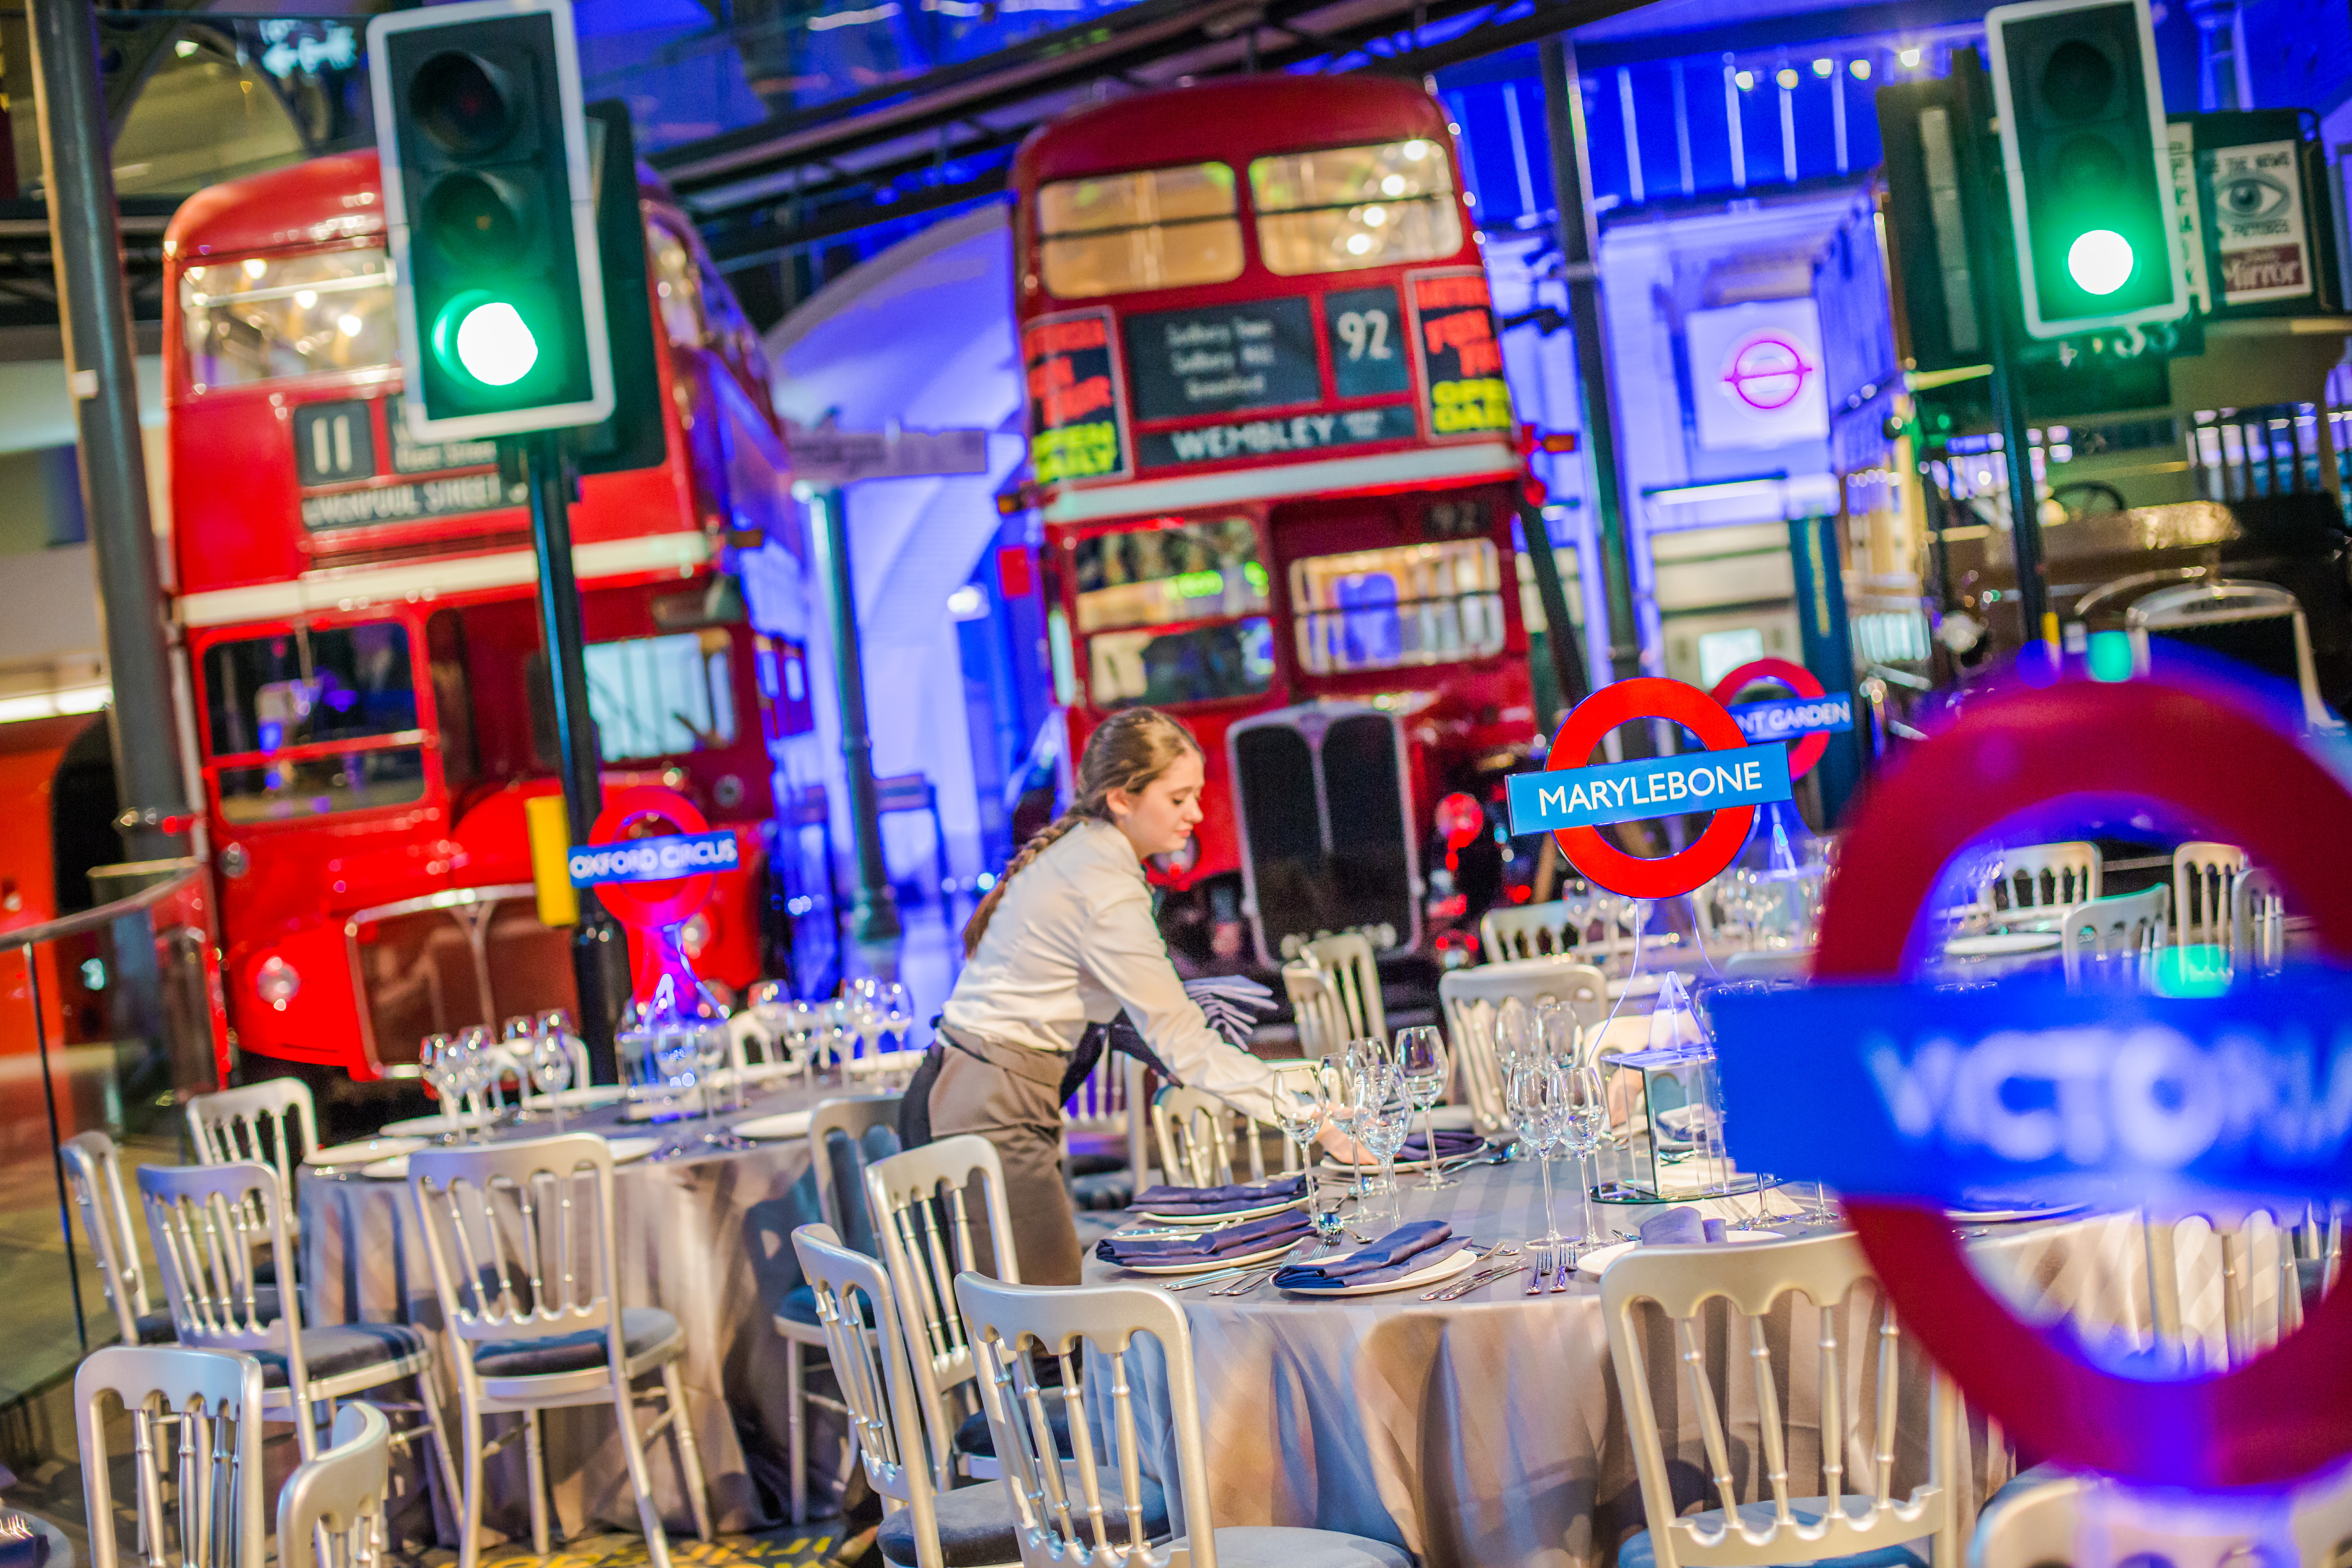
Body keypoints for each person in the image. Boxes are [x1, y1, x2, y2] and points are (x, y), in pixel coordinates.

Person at [916, 706, 1357, 1284]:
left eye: (1196, 796)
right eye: (1178, 799)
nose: (1196, 814)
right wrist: (1312, 1120)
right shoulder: (1102, 883)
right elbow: (1184, 1042)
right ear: (1122, 799)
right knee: (1046, 1318)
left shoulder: (1086, 854)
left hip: (980, 1092)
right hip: (991, 1107)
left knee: (1046, 1308)